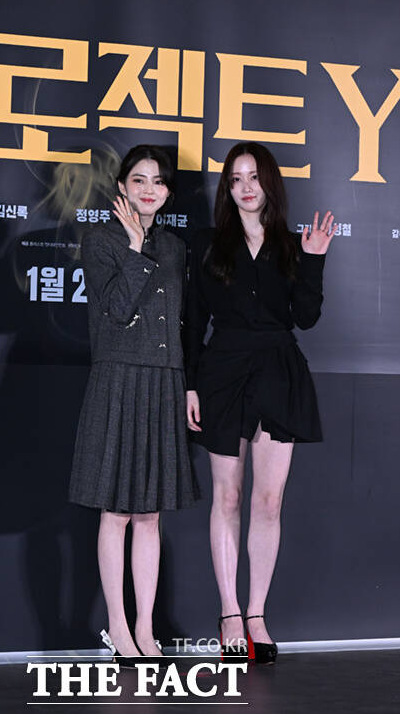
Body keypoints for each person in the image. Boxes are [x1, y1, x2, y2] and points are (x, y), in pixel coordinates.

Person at [184, 142, 336, 664]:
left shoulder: (294, 246)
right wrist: (190, 384)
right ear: (227, 189)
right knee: (227, 497)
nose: (246, 187)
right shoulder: (207, 244)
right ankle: (229, 613)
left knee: (268, 502)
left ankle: (256, 615)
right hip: (222, 371)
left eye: (254, 177)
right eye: (236, 179)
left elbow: (306, 318)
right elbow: (192, 319)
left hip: (277, 371)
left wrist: (314, 259)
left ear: (270, 183)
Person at [69, 145, 199, 663]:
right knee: (117, 512)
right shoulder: (101, 240)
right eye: (139, 179)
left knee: (150, 514)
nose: (149, 189)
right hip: (119, 378)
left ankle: (146, 629)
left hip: (163, 382)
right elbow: (117, 312)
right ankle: (118, 628)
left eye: (159, 181)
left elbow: (180, 326)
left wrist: (184, 383)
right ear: (121, 186)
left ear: (168, 192)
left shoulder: (176, 247)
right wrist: (134, 245)